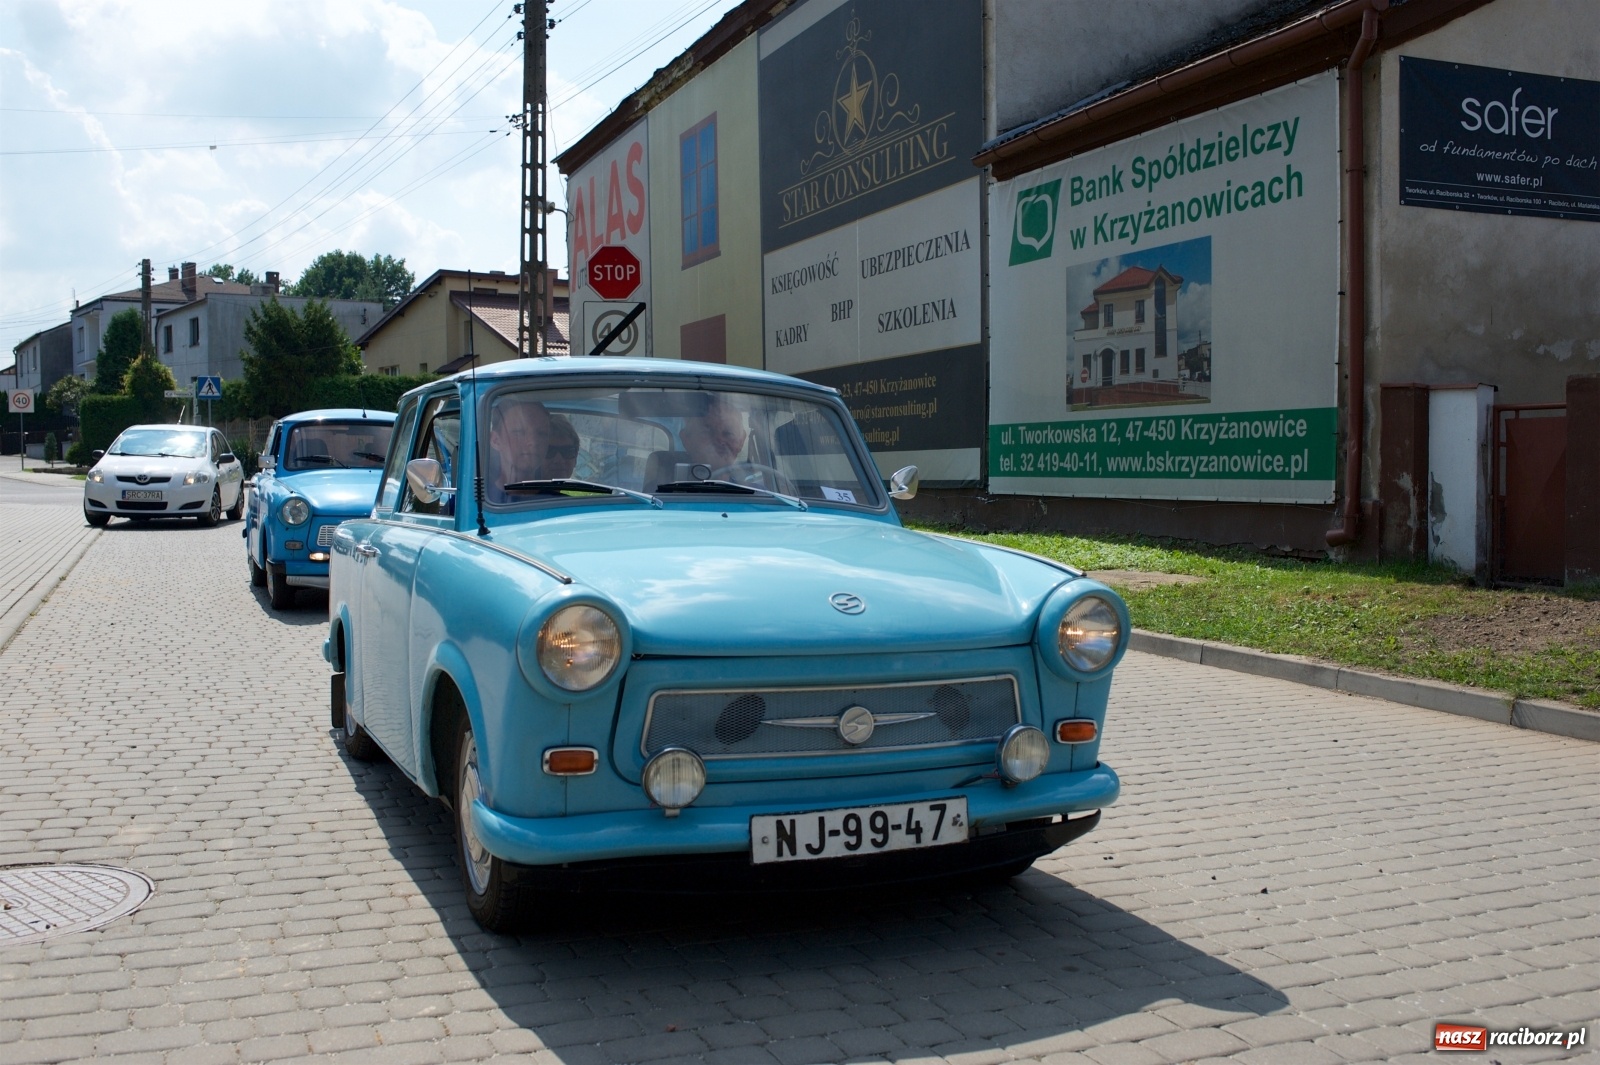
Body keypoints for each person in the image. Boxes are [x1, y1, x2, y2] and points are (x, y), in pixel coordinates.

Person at [487, 394, 551, 502]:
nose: (533, 441)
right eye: (519, 432)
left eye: (541, 433)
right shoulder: (476, 503)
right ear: (496, 440)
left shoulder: (566, 507)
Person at [679, 396, 748, 472]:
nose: (720, 440)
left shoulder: (747, 484)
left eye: (728, 433)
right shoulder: (664, 481)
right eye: (708, 433)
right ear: (686, 440)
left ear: (742, 441)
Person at [545, 414, 580, 479]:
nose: (559, 460)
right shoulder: (523, 487)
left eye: (567, 451)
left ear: (575, 459)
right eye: (549, 451)